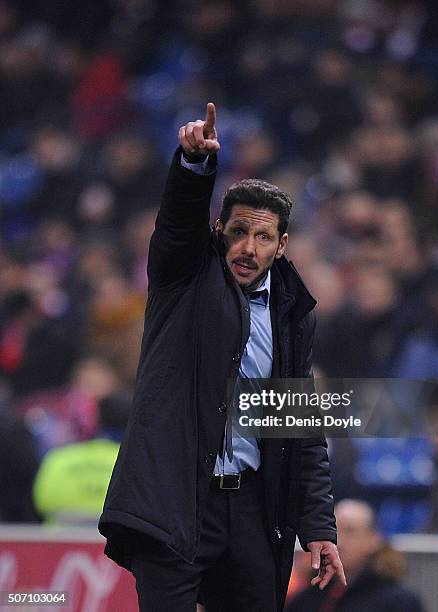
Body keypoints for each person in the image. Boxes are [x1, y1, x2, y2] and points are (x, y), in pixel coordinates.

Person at [98, 103, 345, 611]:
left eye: (263, 237)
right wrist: (194, 168)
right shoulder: (183, 278)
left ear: (282, 246)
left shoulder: (295, 314)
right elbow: (177, 226)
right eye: (238, 232)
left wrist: (318, 524)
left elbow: (302, 424)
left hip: (252, 510)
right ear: (218, 231)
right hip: (177, 499)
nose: (248, 248)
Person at [286, 499, 423, 612]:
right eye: (331, 531)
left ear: (373, 539)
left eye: (349, 531)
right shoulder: (303, 601)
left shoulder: (400, 603)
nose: (337, 541)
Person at [33, 391, 130, 524]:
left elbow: (40, 504)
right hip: (115, 542)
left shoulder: (58, 459)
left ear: (98, 419)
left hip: (60, 542)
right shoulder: (135, 466)